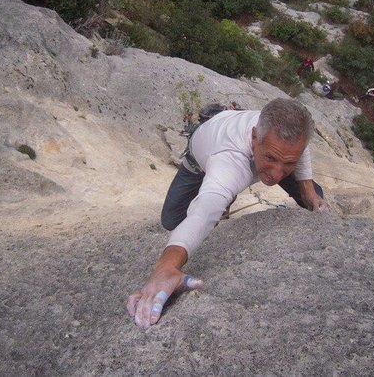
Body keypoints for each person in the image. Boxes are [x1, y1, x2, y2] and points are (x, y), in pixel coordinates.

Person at [127, 98, 327, 328]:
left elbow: (302, 148)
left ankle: (271, 169)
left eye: (289, 162)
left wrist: (308, 189)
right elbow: (204, 211)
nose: (278, 173)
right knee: (172, 219)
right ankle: (227, 193)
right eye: (270, 158)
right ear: (254, 138)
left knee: (315, 198)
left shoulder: (283, 138)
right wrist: (166, 267)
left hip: (237, 131)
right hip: (202, 157)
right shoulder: (230, 161)